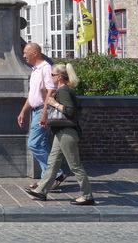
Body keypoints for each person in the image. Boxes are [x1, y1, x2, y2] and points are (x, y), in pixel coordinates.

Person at [23, 63, 95, 206]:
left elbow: (70, 111)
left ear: (60, 77)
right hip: (60, 132)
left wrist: (53, 103)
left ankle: (87, 196)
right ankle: (41, 191)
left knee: (75, 166)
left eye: (52, 75)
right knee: (52, 163)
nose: (51, 77)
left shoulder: (64, 91)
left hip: (67, 133)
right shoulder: (62, 91)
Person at [18, 43, 64, 189]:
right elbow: (33, 94)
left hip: (42, 111)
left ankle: (57, 173)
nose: (24, 55)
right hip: (35, 110)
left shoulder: (45, 68)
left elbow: (51, 91)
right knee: (42, 144)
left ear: (35, 53)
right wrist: (23, 111)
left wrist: (44, 113)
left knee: (34, 144)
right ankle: (47, 179)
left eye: (26, 52)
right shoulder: (35, 69)